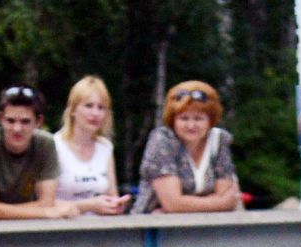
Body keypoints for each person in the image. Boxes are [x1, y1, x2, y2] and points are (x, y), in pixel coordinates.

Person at [0, 84, 78, 221]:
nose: (17, 129)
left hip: (28, 225)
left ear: (38, 121)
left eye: (25, 122)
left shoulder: (45, 144)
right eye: (10, 121)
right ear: (1, 118)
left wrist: (0, 210)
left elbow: (47, 202)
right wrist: (46, 213)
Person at [133, 80, 242, 215]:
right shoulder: (162, 140)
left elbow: (227, 194)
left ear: (210, 120)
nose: (191, 125)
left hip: (206, 227)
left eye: (198, 119)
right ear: (173, 119)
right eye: (184, 118)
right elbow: (172, 203)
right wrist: (219, 203)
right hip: (151, 229)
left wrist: (183, 204)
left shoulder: (220, 140)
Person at [55, 76, 128, 214]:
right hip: (62, 229)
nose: (95, 113)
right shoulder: (54, 146)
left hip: (99, 230)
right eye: (88, 106)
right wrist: (88, 205)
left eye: (101, 108)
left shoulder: (105, 147)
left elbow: (112, 195)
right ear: (73, 110)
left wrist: (116, 204)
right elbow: (44, 203)